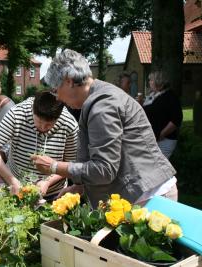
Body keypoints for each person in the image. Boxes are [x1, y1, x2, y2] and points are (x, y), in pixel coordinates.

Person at [31, 49, 178, 208]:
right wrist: (81, 187)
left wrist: (54, 166)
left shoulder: (102, 106)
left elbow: (104, 169)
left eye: (55, 89)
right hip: (144, 194)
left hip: (150, 197)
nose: (57, 97)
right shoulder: (99, 96)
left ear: (68, 81)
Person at [0, 91, 78, 199]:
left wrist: (47, 182)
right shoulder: (17, 113)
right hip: (16, 188)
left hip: (53, 194)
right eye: (39, 122)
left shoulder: (69, 125)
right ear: (33, 110)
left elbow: (70, 165)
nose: (43, 127)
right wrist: (12, 180)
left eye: (49, 125)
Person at [143, 71, 183, 158]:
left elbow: (176, 119)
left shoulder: (170, 96)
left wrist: (161, 134)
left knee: (158, 169)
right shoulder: (154, 94)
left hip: (165, 141)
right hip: (153, 139)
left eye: (151, 80)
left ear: (158, 81)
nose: (149, 82)